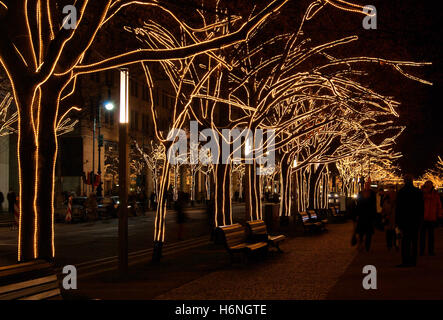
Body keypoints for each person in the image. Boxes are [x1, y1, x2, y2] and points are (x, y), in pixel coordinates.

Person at [395, 175, 424, 267]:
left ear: (404, 181)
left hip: (405, 220)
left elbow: (398, 208)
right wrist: (420, 219)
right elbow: (421, 207)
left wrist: (398, 221)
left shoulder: (401, 192)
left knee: (405, 241)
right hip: (415, 220)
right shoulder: (418, 192)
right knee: (414, 241)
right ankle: (413, 261)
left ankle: (405, 261)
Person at [420, 181, 442, 256]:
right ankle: (423, 250)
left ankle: (430, 250)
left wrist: (439, 215)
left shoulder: (435, 195)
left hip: (431, 217)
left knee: (430, 236)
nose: (428, 188)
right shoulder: (422, 194)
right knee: (423, 236)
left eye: (429, 186)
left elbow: (439, 206)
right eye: (427, 186)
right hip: (424, 217)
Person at [354, 181, 377, 252]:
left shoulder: (373, 193)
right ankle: (361, 245)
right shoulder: (361, 193)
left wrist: (374, 215)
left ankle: (367, 246)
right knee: (361, 232)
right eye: (366, 185)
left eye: (368, 185)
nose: (367, 186)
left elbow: (374, 205)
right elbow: (358, 204)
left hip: (369, 216)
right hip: (362, 215)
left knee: (368, 233)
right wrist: (357, 214)